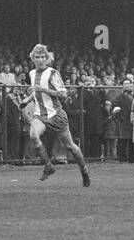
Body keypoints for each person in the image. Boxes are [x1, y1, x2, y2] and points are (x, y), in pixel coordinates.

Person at [24, 44, 91, 186]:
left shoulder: (53, 73)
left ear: (47, 58)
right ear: (33, 59)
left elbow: (63, 94)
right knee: (33, 135)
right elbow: (36, 91)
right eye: (37, 57)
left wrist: (42, 89)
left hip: (56, 115)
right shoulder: (31, 73)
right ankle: (48, 166)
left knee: (70, 146)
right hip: (40, 115)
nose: (40, 59)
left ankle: (84, 171)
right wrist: (27, 100)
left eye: (43, 57)